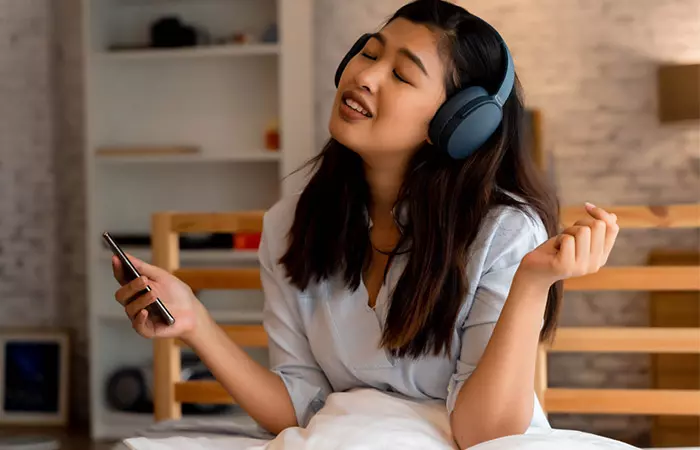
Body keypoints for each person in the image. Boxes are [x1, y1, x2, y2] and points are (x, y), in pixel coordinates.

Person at [112, 1, 619, 448]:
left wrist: (532, 284)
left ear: (458, 122)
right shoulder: (290, 222)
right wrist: (195, 324)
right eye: (370, 53)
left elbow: (485, 435)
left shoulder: (504, 232)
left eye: (402, 75)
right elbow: (297, 409)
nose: (364, 76)